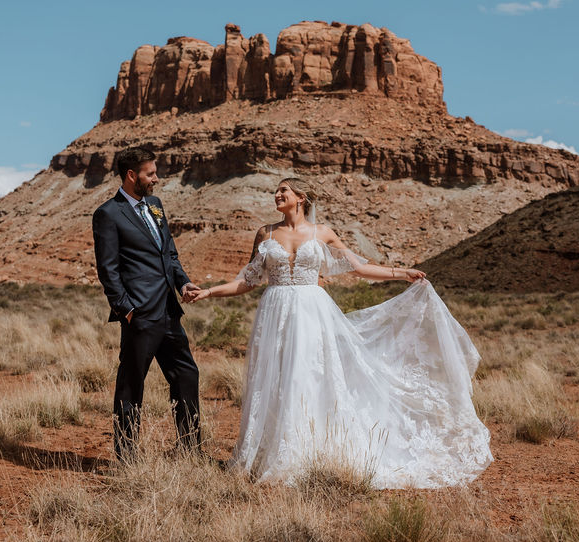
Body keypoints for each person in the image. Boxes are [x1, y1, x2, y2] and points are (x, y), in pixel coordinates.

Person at [191, 178, 493, 488]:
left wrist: (401, 273)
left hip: (312, 313)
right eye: (276, 191)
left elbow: (359, 268)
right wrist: (209, 292)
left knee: (308, 377)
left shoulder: (322, 233)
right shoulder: (265, 233)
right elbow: (248, 281)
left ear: (300, 198)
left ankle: (309, 455)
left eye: (284, 190)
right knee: (277, 379)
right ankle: (274, 455)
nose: (277, 195)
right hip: (275, 314)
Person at [92, 147, 203, 459]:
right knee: (131, 384)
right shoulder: (108, 214)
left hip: (168, 309)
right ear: (132, 176)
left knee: (186, 374)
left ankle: (190, 449)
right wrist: (126, 309)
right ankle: (127, 456)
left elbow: (169, 252)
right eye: (150, 173)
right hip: (139, 314)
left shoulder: (155, 205)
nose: (157, 179)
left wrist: (182, 282)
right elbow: (108, 269)